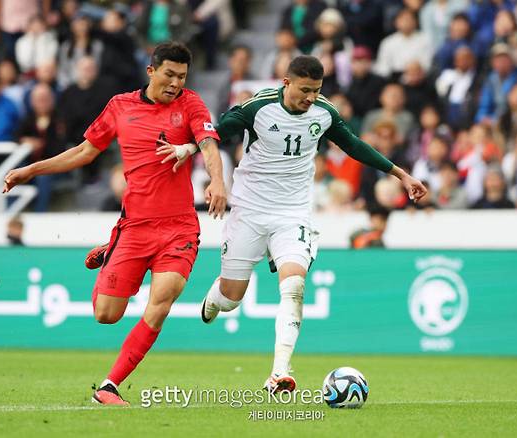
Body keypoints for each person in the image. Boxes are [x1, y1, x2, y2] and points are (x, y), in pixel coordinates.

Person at [179, 56, 425, 392]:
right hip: (249, 210)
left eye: (316, 90)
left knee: (293, 287)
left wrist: (401, 173)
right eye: (304, 90)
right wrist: (189, 152)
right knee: (232, 296)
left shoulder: (324, 112)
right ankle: (216, 298)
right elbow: (215, 133)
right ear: (286, 83)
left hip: (293, 212)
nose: (310, 97)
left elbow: (353, 145)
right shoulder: (259, 107)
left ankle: (279, 371)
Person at [3, 42, 227, 405]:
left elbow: (209, 145)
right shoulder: (121, 107)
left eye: (182, 77)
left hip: (179, 227)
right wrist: (32, 169)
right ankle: (113, 251)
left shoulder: (190, 104)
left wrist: (217, 181)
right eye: (169, 75)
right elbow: (84, 151)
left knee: (162, 301)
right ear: (151, 71)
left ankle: (109, 386)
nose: (175, 83)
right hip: (135, 226)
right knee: (106, 314)